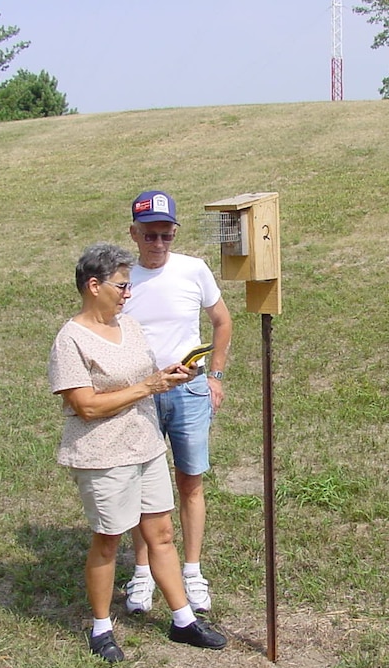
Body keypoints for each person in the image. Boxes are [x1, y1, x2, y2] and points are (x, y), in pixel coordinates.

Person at [47, 242, 227, 662]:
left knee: (161, 534)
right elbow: (87, 405)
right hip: (104, 454)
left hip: (145, 446)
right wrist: (148, 387)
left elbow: (141, 376)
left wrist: (167, 377)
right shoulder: (70, 340)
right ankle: (101, 628)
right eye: (122, 286)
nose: (129, 294)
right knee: (109, 541)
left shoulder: (129, 326)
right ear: (94, 286)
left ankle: (183, 620)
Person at [121, 190, 233, 615]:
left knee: (190, 480)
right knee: (141, 486)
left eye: (166, 236)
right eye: (150, 236)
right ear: (134, 233)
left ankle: (192, 572)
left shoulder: (193, 270)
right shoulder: (123, 277)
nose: (159, 245)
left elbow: (222, 320)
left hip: (189, 391)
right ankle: (143, 572)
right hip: (141, 396)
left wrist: (216, 376)